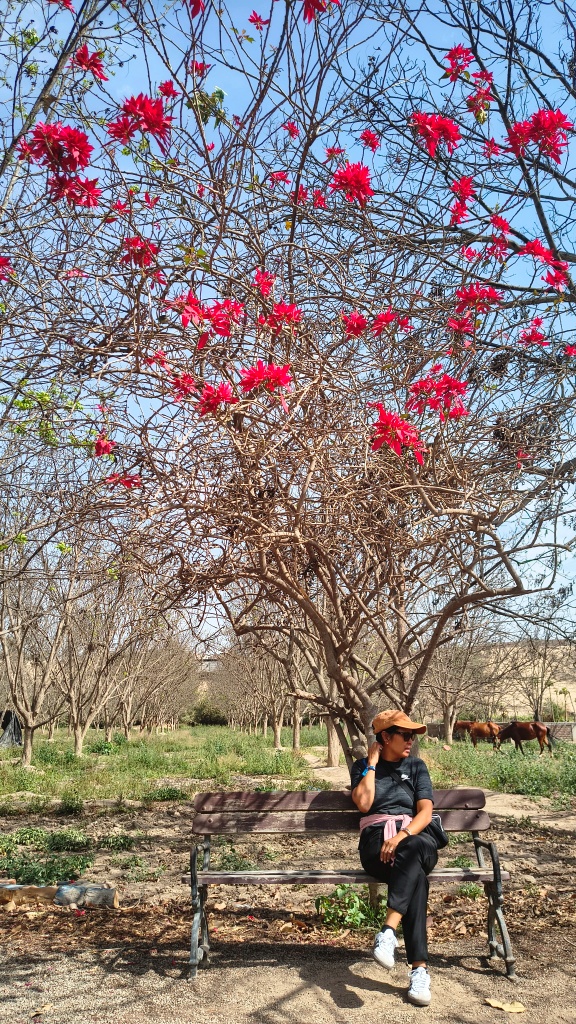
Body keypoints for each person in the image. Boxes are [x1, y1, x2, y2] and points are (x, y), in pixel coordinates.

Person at [350, 709, 437, 1007]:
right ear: (385, 737)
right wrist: (371, 765)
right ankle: (419, 971)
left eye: (413, 735)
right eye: (406, 735)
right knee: (416, 879)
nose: (412, 740)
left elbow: (425, 812)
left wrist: (401, 836)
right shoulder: (361, 766)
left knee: (412, 849)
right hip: (377, 844)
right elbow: (363, 804)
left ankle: (388, 931)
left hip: (413, 838)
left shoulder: (416, 766)